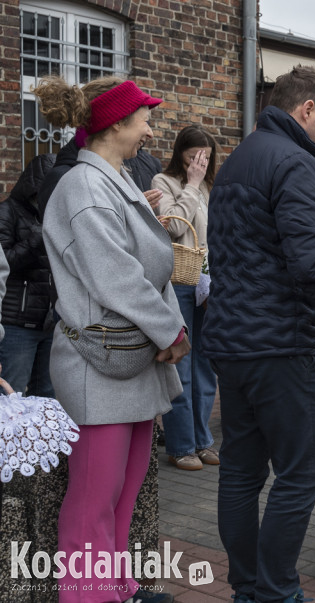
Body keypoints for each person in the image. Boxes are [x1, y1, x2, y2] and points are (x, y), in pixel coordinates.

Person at [204, 65, 315, 603]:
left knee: (239, 472)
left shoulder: (240, 159)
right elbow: (311, 261)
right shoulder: (295, 163)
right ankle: (277, 591)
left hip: (232, 340)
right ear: (306, 110)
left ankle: (247, 586)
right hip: (278, 343)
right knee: (304, 470)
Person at [35, 74, 188, 603]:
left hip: (129, 359)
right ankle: (87, 594)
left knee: (121, 493)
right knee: (92, 500)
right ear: (116, 123)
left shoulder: (114, 178)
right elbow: (117, 275)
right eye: (143, 116)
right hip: (100, 365)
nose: (150, 126)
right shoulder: (83, 186)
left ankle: (116, 587)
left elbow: (152, 270)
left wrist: (170, 330)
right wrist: (171, 329)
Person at [152, 125, 219, 471]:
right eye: (194, 155)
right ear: (181, 153)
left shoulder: (210, 188)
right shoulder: (163, 183)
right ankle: (181, 445)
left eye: (206, 157)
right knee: (184, 366)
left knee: (206, 365)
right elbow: (174, 226)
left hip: (204, 282)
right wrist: (191, 184)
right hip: (178, 279)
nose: (200, 162)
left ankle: (202, 439)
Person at [0, 153, 57, 397]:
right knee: (10, 399)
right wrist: (37, 238)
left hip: (50, 322)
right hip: (17, 324)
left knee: (46, 400)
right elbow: (6, 262)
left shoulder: (55, 214)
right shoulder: (7, 212)